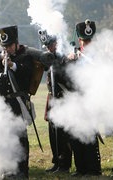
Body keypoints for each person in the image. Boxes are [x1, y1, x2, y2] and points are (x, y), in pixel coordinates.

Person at [0, 25, 37, 179]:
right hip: (2, 107)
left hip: (17, 104)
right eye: (4, 46)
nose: (8, 49)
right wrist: (0, 58)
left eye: (10, 45)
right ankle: (7, 169)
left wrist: (13, 65)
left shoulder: (24, 57)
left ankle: (21, 171)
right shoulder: (0, 59)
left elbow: (27, 73)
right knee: (4, 138)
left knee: (20, 139)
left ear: (16, 43)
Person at [67, 19, 101, 176]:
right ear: (79, 39)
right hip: (76, 98)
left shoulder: (97, 54)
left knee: (89, 135)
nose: (86, 43)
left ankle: (93, 168)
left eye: (88, 40)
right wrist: (70, 59)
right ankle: (80, 168)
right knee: (75, 134)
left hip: (91, 98)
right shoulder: (75, 53)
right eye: (84, 40)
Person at [39, 30, 72, 173]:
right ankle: (56, 161)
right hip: (52, 97)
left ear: (56, 44)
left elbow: (66, 77)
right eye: (47, 45)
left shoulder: (63, 58)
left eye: (51, 44)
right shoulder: (47, 57)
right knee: (53, 132)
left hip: (62, 98)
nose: (49, 48)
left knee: (62, 133)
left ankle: (64, 164)